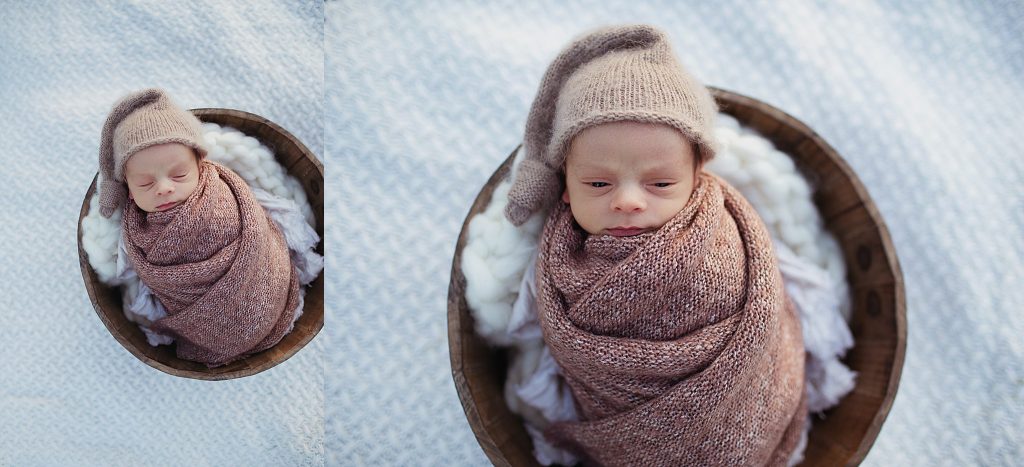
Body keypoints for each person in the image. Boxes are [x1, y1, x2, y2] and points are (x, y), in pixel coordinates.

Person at [504, 25, 807, 466]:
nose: (628, 201)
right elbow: (525, 330)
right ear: (564, 186)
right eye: (598, 183)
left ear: (698, 175)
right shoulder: (556, 266)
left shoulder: (722, 238)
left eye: (661, 183)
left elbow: (760, 314)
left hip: (741, 400)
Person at [97, 88, 299, 367]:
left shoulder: (222, 194)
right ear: (129, 191)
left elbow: (254, 230)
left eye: (179, 174)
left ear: (201, 165)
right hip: (206, 324)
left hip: (260, 278)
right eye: (145, 183)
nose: (165, 188)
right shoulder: (137, 235)